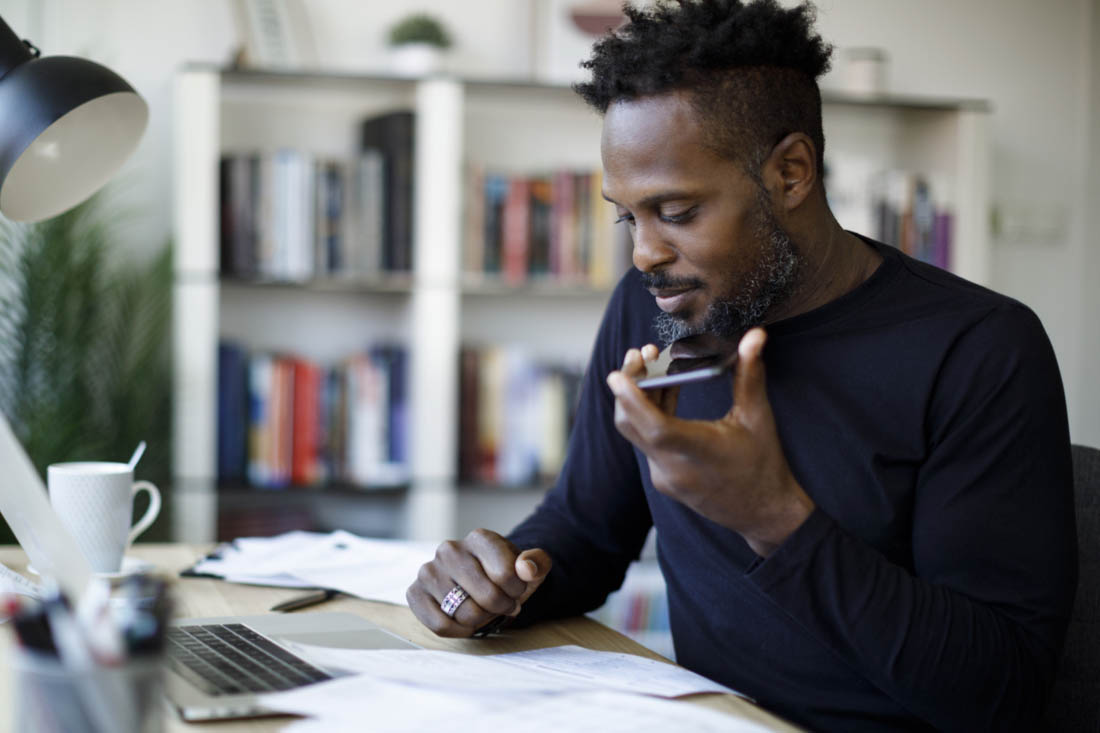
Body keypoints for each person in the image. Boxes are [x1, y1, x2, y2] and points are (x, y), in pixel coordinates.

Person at [406, 1, 1077, 730]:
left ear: (791, 172)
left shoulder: (979, 348)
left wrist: (776, 519)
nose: (644, 254)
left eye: (677, 210)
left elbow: (1002, 690)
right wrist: (503, 575)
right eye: (629, 215)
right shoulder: (656, 309)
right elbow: (589, 529)